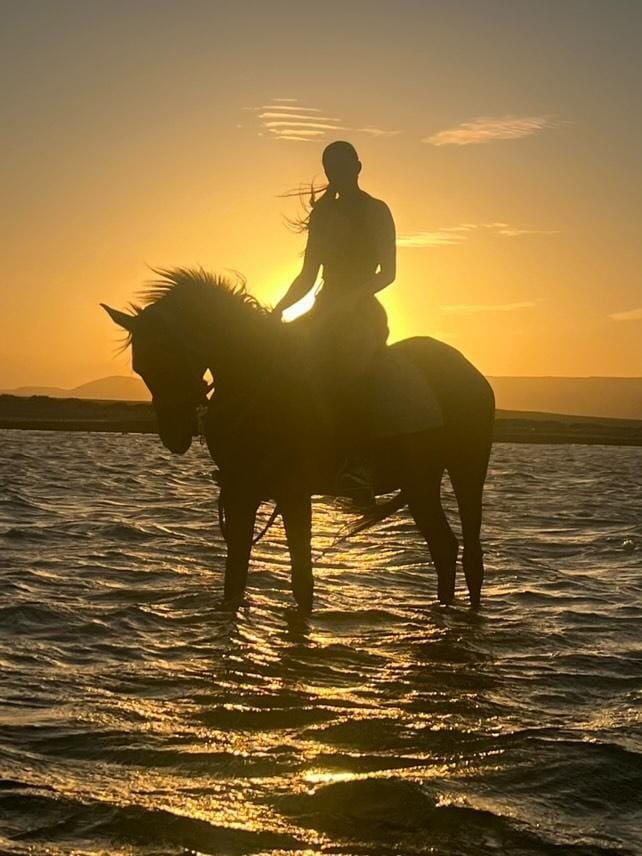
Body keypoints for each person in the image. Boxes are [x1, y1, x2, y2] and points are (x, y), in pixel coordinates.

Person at [273, 140, 397, 504]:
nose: (336, 175)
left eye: (342, 167)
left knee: (350, 368)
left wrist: (350, 300)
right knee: (279, 360)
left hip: (362, 310)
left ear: (358, 168)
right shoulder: (323, 216)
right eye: (330, 168)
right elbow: (308, 275)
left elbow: (387, 273)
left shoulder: (376, 211)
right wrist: (277, 309)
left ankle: (359, 460)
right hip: (323, 308)